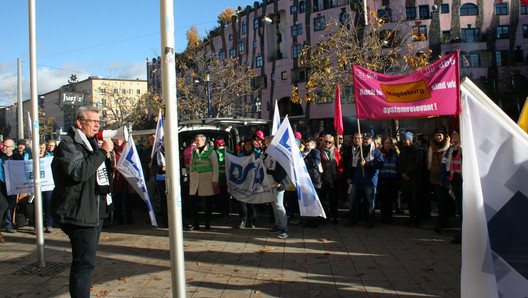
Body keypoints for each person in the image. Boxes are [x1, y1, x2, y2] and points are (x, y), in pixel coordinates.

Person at [49, 106, 114, 298]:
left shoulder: (90, 143)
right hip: (78, 213)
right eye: (92, 121)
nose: (97, 125)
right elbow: (79, 172)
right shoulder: (68, 144)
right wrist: (102, 152)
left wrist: (104, 154)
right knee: (83, 263)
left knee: (87, 262)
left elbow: (98, 173)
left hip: (93, 210)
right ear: (79, 123)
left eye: (98, 122)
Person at [347, 133, 383, 228]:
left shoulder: (376, 151)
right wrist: (350, 177)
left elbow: (380, 164)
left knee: (369, 203)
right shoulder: (358, 150)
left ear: (371, 140)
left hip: (369, 181)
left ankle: (369, 222)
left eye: (367, 139)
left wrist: (367, 164)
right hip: (357, 180)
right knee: (354, 201)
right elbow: (352, 164)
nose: (365, 141)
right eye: (364, 139)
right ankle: (353, 220)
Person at [189, 134, 219, 230]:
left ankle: (207, 224)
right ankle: (195, 224)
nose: (196, 142)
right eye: (195, 140)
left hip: (206, 181)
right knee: (193, 204)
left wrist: (215, 180)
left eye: (198, 140)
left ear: (203, 141)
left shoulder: (211, 152)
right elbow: (191, 163)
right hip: (195, 181)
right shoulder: (194, 151)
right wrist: (191, 174)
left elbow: (215, 167)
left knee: (206, 204)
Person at [263, 135, 291, 239]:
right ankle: (278, 225)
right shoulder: (268, 152)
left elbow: (284, 168)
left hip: (278, 182)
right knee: (274, 204)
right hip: (270, 180)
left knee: (279, 204)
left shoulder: (280, 153)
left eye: (269, 141)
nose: (267, 144)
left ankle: (284, 228)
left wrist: (279, 181)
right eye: (266, 141)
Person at [439, 128, 462, 244]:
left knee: (463, 209)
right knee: (460, 208)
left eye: (454, 134)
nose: (452, 135)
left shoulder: (463, 148)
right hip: (454, 180)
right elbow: (448, 165)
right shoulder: (452, 148)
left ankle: (464, 234)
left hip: (462, 180)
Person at [428, 126, 451, 233]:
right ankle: (441, 222)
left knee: (446, 199)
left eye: (440, 135)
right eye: (436, 135)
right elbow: (429, 162)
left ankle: (444, 220)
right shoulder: (431, 147)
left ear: (444, 136)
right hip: (435, 176)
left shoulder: (448, 147)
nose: (438, 137)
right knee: (440, 200)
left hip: (446, 177)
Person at [398, 132, 424, 226]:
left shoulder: (417, 150)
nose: (405, 141)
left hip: (414, 178)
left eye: (406, 139)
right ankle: (411, 217)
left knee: (415, 199)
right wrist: (402, 173)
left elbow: (417, 164)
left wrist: (407, 173)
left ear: (411, 140)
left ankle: (417, 218)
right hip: (405, 179)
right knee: (409, 199)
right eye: (404, 139)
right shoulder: (403, 150)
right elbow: (400, 163)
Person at [319, 134, 343, 224]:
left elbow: (340, 165)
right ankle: (324, 216)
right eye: (326, 142)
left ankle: (334, 216)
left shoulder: (336, 151)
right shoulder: (319, 151)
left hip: (334, 178)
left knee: (333, 199)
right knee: (322, 199)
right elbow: (317, 163)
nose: (327, 144)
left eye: (330, 142)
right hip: (323, 178)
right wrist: (325, 166)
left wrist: (339, 175)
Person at [1, 139, 24, 233]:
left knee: (11, 205)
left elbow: (22, 169)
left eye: (7, 146)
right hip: (1, 183)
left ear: (12, 147)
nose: (4, 148)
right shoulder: (0, 155)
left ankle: (9, 224)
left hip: (13, 184)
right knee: (3, 204)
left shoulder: (17, 157)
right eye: (4, 146)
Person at [302, 137, 323, 227]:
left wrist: (304, 163)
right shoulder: (302, 152)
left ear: (312, 143)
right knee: (306, 201)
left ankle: (315, 220)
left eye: (308, 142)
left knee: (314, 200)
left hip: (314, 179)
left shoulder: (315, 152)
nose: (307, 144)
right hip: (305, 179)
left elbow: (315, 163)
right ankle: (307, 220)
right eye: (305, 142)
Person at [236, 138, 258, 228]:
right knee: (242, 201)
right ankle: (243, 219)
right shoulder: (241, 155)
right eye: (246, 145)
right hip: (243, 180)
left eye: (249, 144)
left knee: (251, 202)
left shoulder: (257, 154)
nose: (247, 146)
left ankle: (251, 220)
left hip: (253, 181)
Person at [378, 137, 398, 224]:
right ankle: (384, 217)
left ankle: (390, 217)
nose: (388, 145)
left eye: (389, 143)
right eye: (386, 143)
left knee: (391, 199)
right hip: (383, 178)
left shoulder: (394, 153)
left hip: (392, 178)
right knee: (383, 199)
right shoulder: (380, 153)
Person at [39, 142, 54, 233]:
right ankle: (37, 225)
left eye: (43, 148)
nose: (41, 150)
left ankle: (48, 224)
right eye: (39, 148)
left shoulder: (49, 158)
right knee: (38, 206)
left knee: (49, 205)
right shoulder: (31, 157)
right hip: (37, 186)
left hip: (48, 185)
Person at [214, 139, 231, 217]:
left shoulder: (216, 153)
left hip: (220, 177)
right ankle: (227, 211)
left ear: (217, 145)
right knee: (227, 195)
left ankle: (223, 212)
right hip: (229, 176)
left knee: (221, 195)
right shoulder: (229, 152)